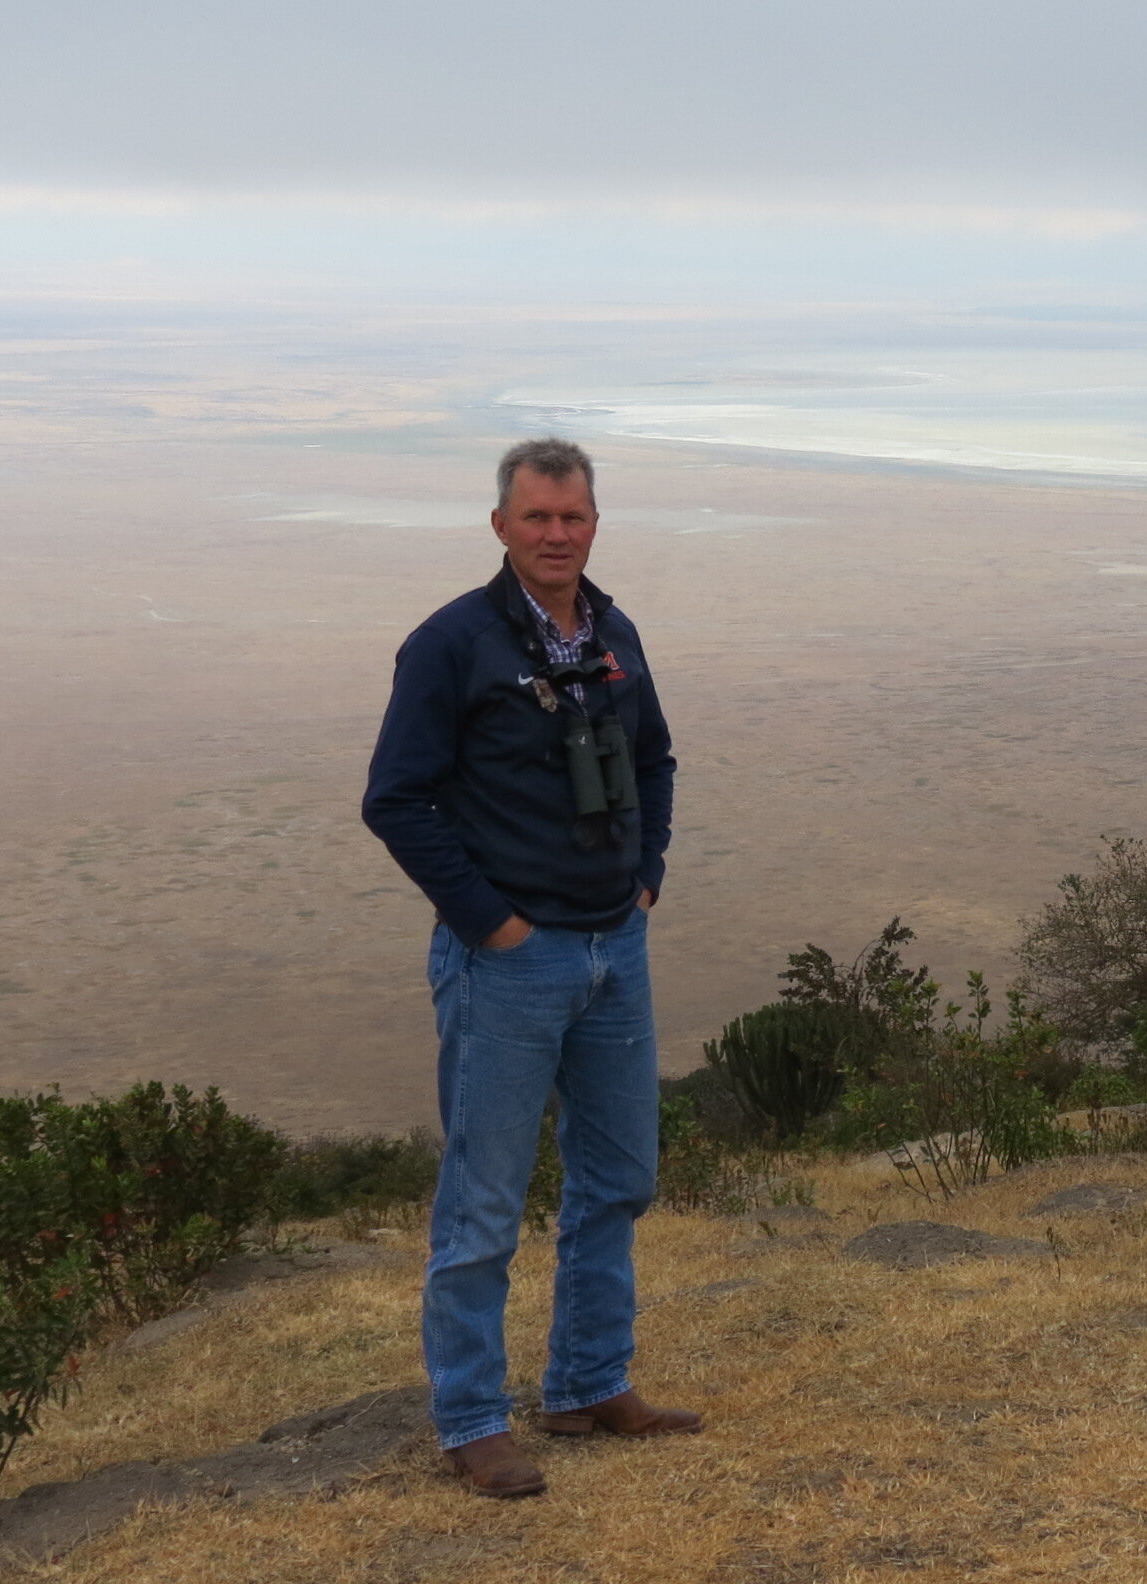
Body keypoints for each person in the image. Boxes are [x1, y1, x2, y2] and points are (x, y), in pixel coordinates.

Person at [361, 437, 697, 1498]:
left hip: (613, 944)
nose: (558, 535)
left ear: (595, 523)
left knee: (619, 1179)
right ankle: (469, 1417)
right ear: (500, 524)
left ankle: (587, 1382)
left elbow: (653, 757)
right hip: (508, 961)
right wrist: (488, 924)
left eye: (575, 518)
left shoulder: (614, 630)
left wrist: (645, 876)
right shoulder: (451, 642)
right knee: (483, 1202)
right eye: (538, 518)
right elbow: (395, 798)